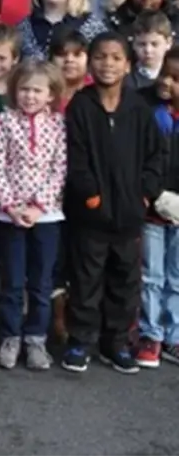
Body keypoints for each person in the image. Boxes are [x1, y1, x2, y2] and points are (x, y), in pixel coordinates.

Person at [62, 33, 166, 374]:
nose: (108, 63)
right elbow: (74, 156)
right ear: (90, 63)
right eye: (101, 57)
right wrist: (89, 193)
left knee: (125, 281)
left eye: (116, 58)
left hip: (130, 213)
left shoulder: (138, 108)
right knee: (86, 278)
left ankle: (116, 342)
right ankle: (81, 340)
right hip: (90, 213)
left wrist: (145, 192)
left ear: (128, 64)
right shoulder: (81, 105)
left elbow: (156, 154)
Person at [0, 60, 67, 371]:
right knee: (11, 280)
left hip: (46, 216)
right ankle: (10, 337)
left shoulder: (59, 125)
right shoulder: (5, 121)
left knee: (41, 281)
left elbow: (59, 169)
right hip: (10, 215)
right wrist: (12, 206)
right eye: (24, 89)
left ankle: (36, 338)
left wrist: (38, 207)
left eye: (37, 91)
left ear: (50, 95)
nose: (30, 96)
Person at [140, 47, 179, 367]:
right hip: (153, 206)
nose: (167, 82)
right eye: (165, 73)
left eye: (176, 79)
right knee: (151, 275)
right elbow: (141, 156)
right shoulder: (147, 107)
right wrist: (153, 194)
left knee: (176, 277)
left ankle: (174, 335)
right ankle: (150, 334)